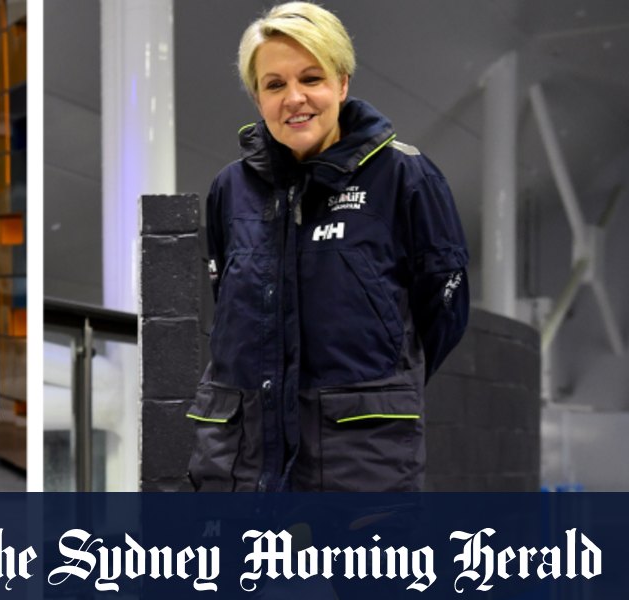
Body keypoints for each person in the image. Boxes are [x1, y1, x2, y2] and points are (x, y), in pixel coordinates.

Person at [187, 2, 469, 492]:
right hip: (240, 465)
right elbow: (229, 304)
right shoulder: (229, 189)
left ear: (342, 83)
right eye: (274, 84)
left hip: (360, 464)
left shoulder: (404, 176)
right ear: (258, 99)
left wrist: (377, 392)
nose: (294, 98)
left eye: (311, 78)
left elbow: (443, 311)